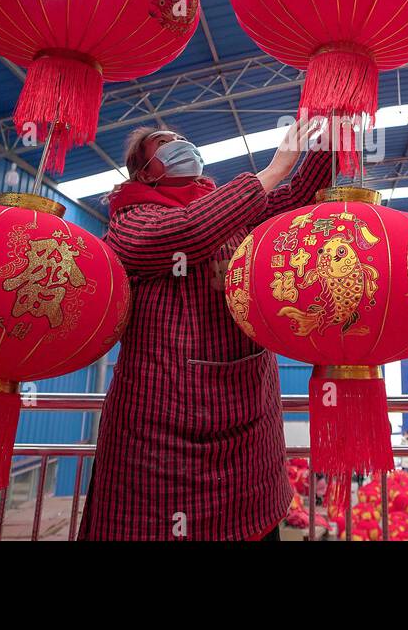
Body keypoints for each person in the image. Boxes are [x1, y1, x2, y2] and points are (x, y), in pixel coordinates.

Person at [78, 118, 335, 541]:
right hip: (163, 431)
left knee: (254, 523)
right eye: (164, 145)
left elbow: (299, 200)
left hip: (249, 423)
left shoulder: (228, 208)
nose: (181, 146)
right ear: (144, 172)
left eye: (182, 139)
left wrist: (332, 134)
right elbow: (188, 233)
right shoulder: (132, 222)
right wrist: (272, 171)